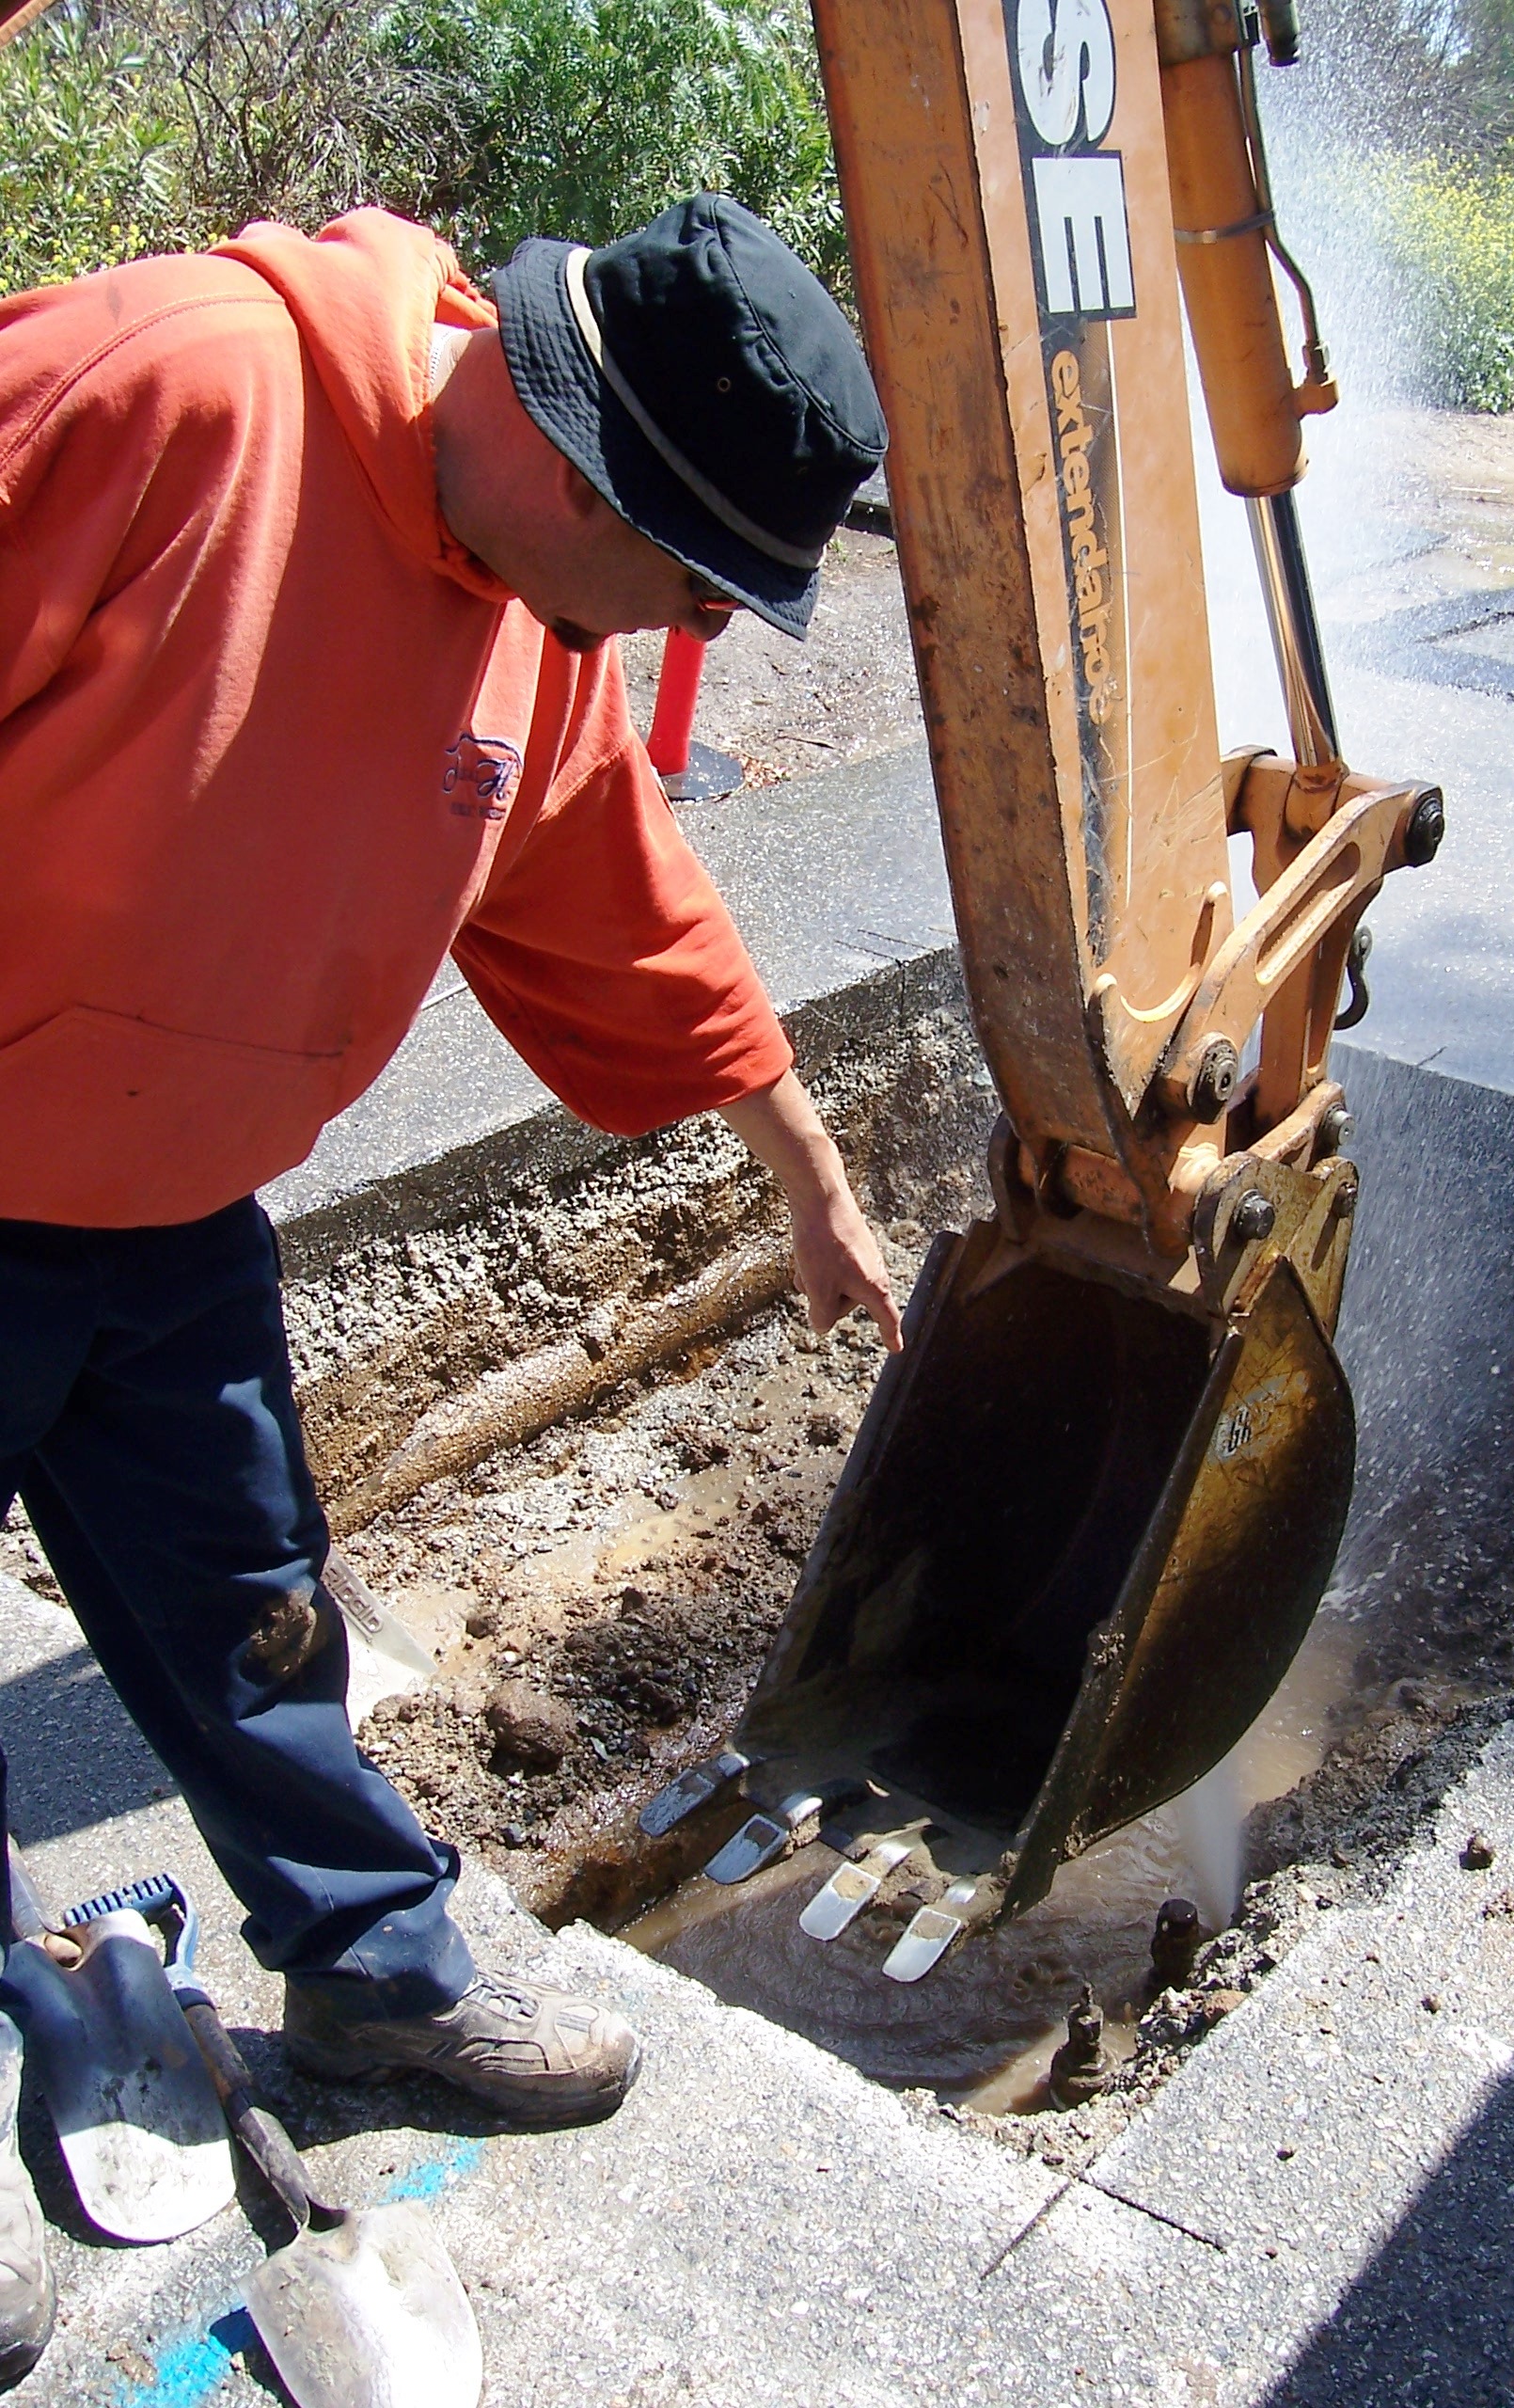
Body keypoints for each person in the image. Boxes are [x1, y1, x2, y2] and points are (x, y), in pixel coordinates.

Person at [0, 190, 898, 2373]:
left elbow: (619, 898)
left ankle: (375, 1970)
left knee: (251, 1607)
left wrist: (801, 1157)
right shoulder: (169, 389)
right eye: (695, 578)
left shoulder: (534, 614)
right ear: (577, 460)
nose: (686, 623)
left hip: (169, 1211)